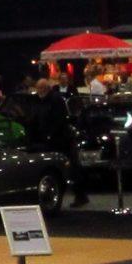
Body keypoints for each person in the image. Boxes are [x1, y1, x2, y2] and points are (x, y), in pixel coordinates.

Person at [30, 78, 88, 207]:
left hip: (62, 139)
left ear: (46, 88)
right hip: (49, 139)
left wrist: (49, 135)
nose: (39, 91)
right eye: (38, 88)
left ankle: (80, 195)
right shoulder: (39, 101)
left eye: (41, 88)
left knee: (72, 168)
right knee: (62, 168)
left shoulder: (56, 100)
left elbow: (59, 120)